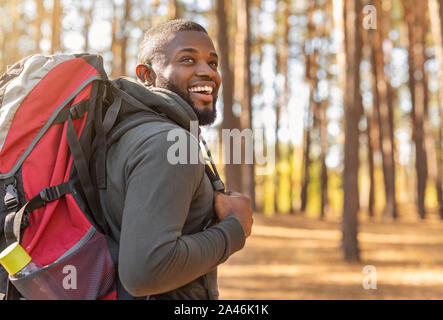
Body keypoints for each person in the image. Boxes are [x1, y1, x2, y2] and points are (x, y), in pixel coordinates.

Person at [98, 19, 254, 299]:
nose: (208, 72)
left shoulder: (126, 133)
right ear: (146, 75)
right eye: (188, 60)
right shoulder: (168, 144)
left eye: (213, 63)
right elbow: (145, 272)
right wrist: (235, 229)